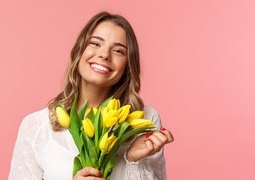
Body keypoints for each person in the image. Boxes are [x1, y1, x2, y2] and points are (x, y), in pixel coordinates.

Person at [9, 11, 174, 180]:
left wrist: (133, 161)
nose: (104, 54)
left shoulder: (145, 121)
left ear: (127, 66)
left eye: (118, 50)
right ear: (79, 52)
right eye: (95, 43)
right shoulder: (36, 126)